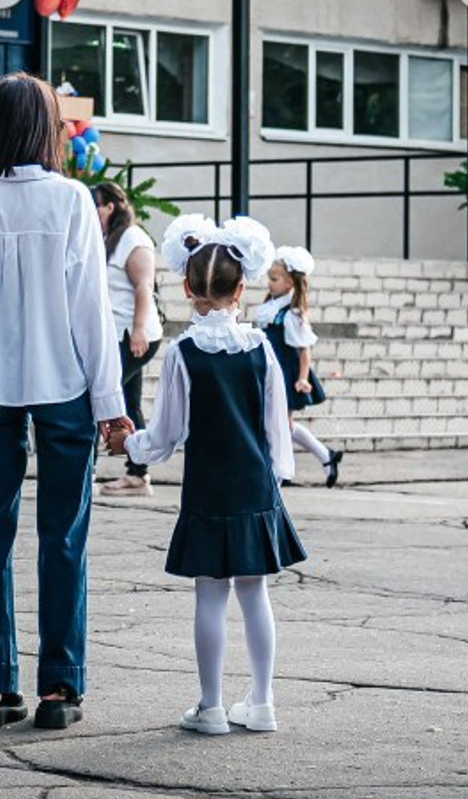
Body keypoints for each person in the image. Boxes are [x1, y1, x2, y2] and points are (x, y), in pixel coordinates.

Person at [0, 72, 128, 732]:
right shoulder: (71, 200)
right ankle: (60, 687)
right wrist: (110, 400)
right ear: (47, 127)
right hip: (64, 382)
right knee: (63, 537)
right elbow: (92, 309)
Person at [109, 214, 305, 735]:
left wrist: (127, 443)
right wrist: (276, 482)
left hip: (208, 487)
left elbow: (167, 435)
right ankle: (261, 702)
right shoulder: (262, 349)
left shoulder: (182, 353)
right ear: (243, 287)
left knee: (210, 595)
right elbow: (275, 430)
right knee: (254, 591)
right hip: (255, 486)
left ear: (185, 287)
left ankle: (211, 705)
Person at [92, 181, 163, 496]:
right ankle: (137, 475)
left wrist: (137, 330)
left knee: (99, 394)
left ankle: (88, 468)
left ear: (110, 207)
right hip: (116, 333)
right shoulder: (109, 238)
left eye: (96, 205)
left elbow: (143, 287)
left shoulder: (133, 238)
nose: (92, 211)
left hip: (134, 335)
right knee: (129, 401)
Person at [258, 247, 342, 488]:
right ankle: (326, 455)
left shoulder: (292, 313)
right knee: (282, 424)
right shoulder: (271, 307)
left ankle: (278, 474)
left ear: (290, 282)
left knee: (281, 425)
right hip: (269, 369)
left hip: (286, 372)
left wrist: (303, 378)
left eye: (274, 279)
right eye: (270, 279)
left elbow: (304, 350)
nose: (270, 284)